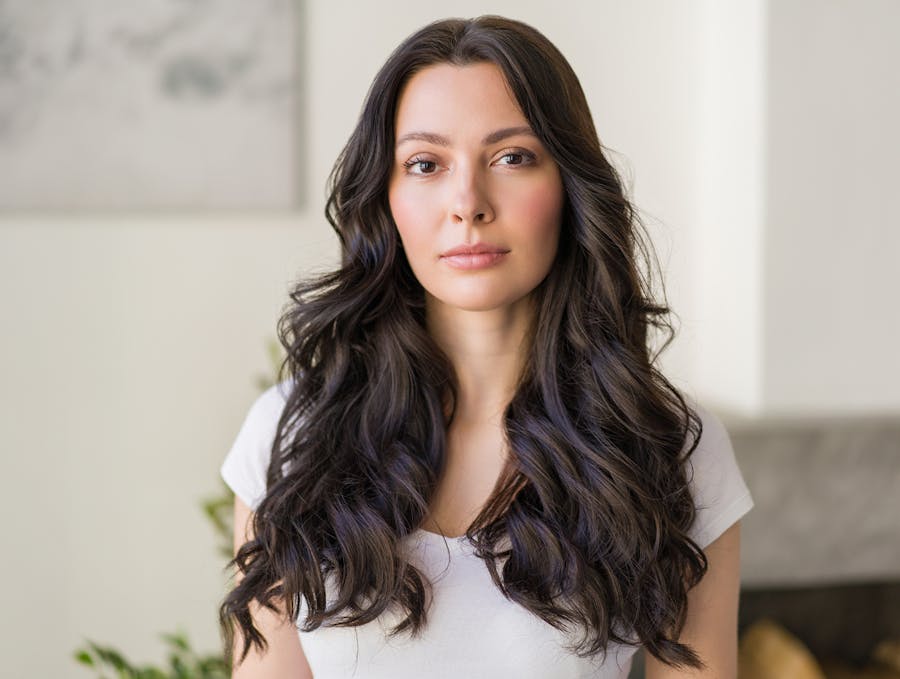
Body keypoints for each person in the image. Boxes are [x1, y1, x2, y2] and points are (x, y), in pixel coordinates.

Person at [219, 15, 753, 679]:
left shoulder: (669, 447)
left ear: (569, 186)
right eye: (425, 164)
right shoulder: (289, 434)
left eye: (512, 157)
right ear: (385, 198)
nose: (467, 202)